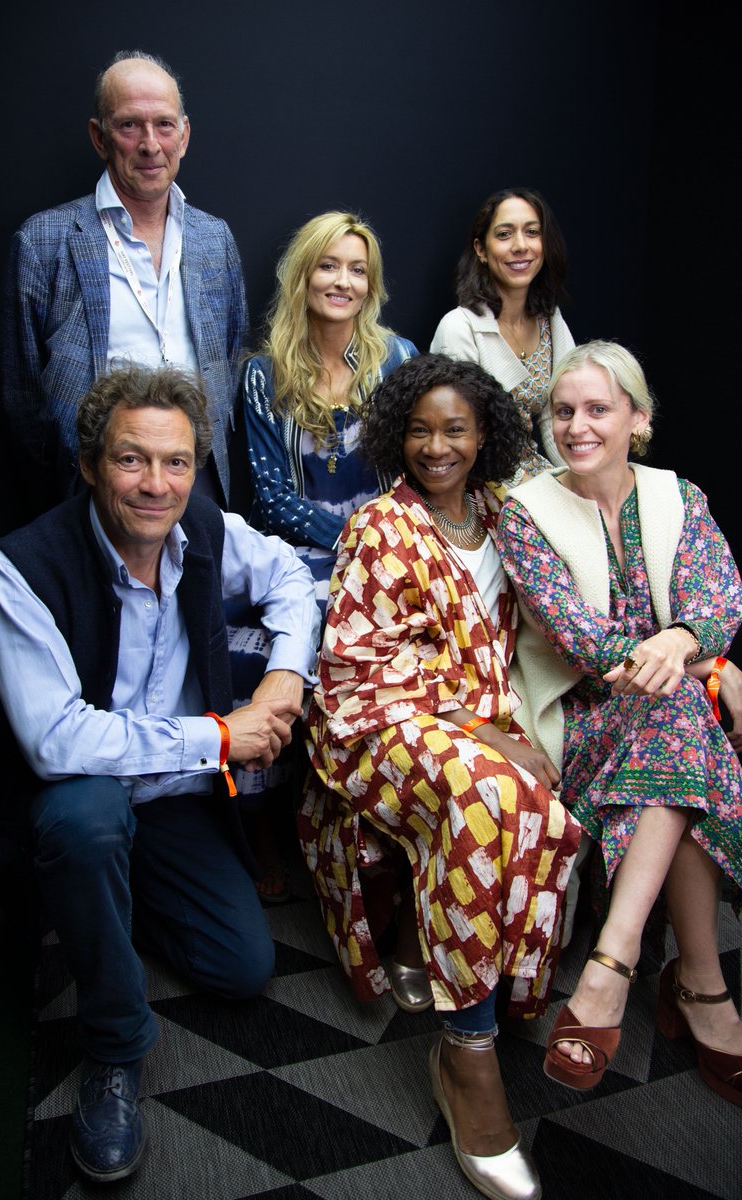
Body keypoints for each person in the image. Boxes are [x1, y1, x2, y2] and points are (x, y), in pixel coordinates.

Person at [0, 364, 320, 1182]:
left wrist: (284, 679)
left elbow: (290, 580)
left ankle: (99, 901)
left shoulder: (201, 526)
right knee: (86, 826)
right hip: (83, 797)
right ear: (92, 463)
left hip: (170, 803)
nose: (156, 484)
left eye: (177, 463)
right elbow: (56, 741)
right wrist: (218, 736)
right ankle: (114, 1048)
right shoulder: (21, 566)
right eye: (132, 459)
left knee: (242, 969)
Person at [300, 354, 581, 1199]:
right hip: (378, 726)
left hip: (478, 723)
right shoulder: (378, 528)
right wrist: (477, 730)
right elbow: (350, 670)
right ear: (395, 435)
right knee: (491, 794)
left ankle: (475, 988)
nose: (435, 446)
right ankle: (469, 1056)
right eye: (418, 429)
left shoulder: (503, 514)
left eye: (455, 428)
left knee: (529, 792)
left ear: (485, 432)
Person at [497, 340, 742, 1106]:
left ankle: (615, 963)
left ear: (637, 419)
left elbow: (721, 603)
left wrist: (683, 644)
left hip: (665, 713)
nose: (577, 426)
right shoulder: (525, 511)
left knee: (673, 717)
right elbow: (583, 641)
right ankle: (699, 985)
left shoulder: (679, 496)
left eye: (598, 410)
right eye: (564, 411)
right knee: (679, 713)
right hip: (578, 721)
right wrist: (706, 663)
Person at [233, 212, 416, 899]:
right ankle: (269, 830)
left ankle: (369, 834)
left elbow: (417, 471)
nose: (342, 280)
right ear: (303, 274)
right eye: (328, 265)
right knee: (281, 649)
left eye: (357, 269)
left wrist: (377, 540)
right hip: (296, 558)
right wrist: (353, 536)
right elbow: (273, 500)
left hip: (387, 553)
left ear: (371, 286)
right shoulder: (263, 373)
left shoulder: (397, 360)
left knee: (393, 656)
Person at [3, 49, 247, 506]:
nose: (150, 144)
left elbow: (229, 356)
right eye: (130, 125)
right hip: (91, 484)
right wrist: (69, 468)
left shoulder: (215, 239)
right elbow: (24, 396)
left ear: (185, 135)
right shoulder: (44, 241)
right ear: (99, 137)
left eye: (164, 125)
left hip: (196, 479)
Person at [430, 187, 573, 481]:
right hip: (477, 484)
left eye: (532, 232)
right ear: (481, 250)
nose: (521, 246)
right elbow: (456, 438)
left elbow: (556, 415)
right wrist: (525, 493)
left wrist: (576, 480)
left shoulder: (551, 318)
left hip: (535, 476)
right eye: (505, 234)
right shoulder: (459, 327)